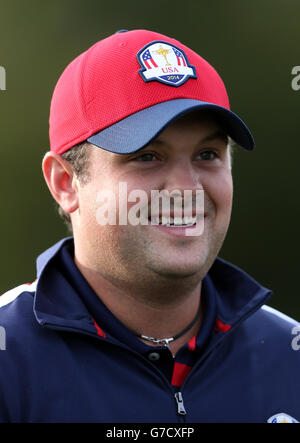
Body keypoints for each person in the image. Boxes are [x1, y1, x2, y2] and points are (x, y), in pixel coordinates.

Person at [0, 29, 299, 424]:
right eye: (147, 156)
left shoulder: (289, 354)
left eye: (207, 154)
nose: (186, 189)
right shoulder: (9, 361)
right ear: (65, 183)